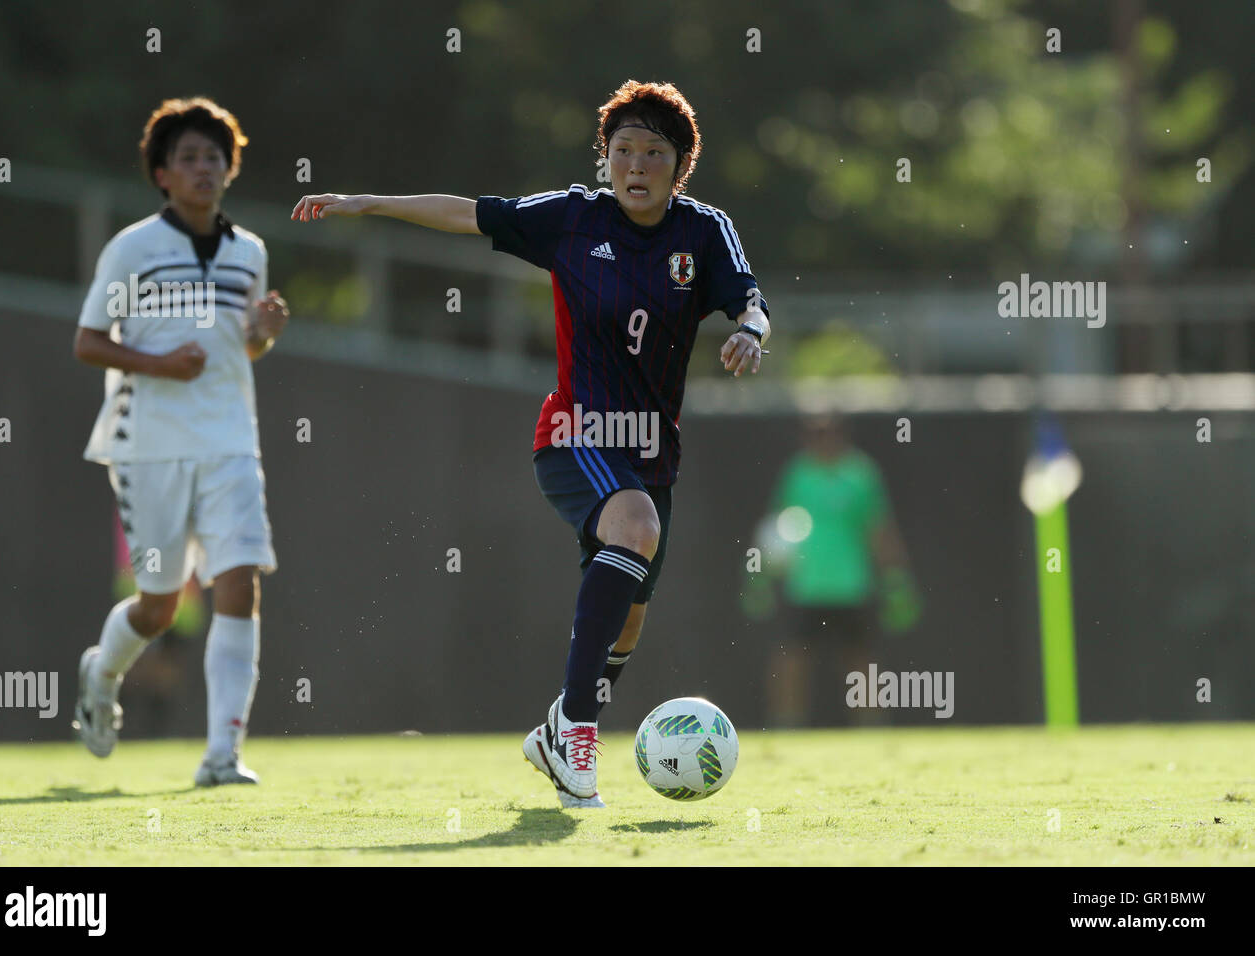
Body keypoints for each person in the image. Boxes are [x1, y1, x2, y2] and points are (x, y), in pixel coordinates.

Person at [293, 79, 769, 807]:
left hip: (651, 452)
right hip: (572, 433)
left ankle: (555, 730)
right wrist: (368, 204)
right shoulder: (576, 219)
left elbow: (749, 298)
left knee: (631, 616)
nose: (636, 165)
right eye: (623, 150)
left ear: (681, 166)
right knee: (635, 528)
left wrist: (749, 330)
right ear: (605, 158)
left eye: (654, 152)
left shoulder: (702, 232)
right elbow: (469, 212)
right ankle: (578, 734)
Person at [72, 97, 289, 786]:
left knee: (239, 583)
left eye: (214, 157)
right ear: (163, 174)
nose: (204, 168)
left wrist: (263, 332)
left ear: (230, 169)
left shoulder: (249, 251)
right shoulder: (133, 248)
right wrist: (159, 365)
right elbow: (86, 342)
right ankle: (100, 675)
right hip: (149, 446)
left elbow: (242, 351)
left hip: (230, 442)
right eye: (188, 158)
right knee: (160, 606)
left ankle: (223, 753)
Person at [751, 414, 918, 726]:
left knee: (861, 660)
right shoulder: (797, 473)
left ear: (842, 435)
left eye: (828, 433)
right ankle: (787, 724)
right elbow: (777, 529)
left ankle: (871, 727)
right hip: (806, 585)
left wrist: (897, 581)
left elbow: (879, 529)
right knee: (791, 659)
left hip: (851, 584)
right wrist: (760, 576)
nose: (821, 440)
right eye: (814, 434)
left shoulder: (861, 474)